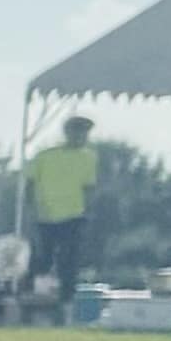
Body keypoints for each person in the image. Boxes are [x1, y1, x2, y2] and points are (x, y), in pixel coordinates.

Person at [26, 114, 111, 311]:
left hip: (74, 215)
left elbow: (89, 187)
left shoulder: (88, 157)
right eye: (78, 132)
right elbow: (30, 184)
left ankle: (66, 301)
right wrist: (31, 209)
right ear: (67, 133)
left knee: (69, 260)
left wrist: (89, 211)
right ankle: (39, 298)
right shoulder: (45, 156)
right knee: (43, 258)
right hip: (45, 215)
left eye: (85, 133)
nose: (81, 137)